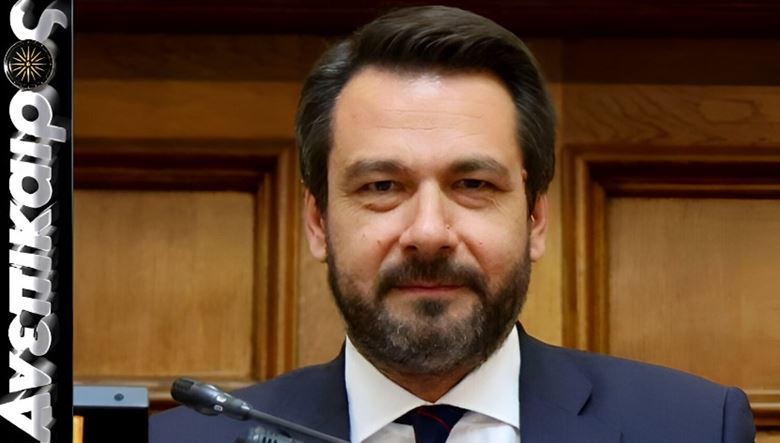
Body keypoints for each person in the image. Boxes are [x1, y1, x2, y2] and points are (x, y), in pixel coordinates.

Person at [150, 6, 755, 442]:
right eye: (382, 187)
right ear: (317, 221)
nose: (429, 232)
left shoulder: (694, 427)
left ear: (536, 217)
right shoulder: (187, 438)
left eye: (473, 185)